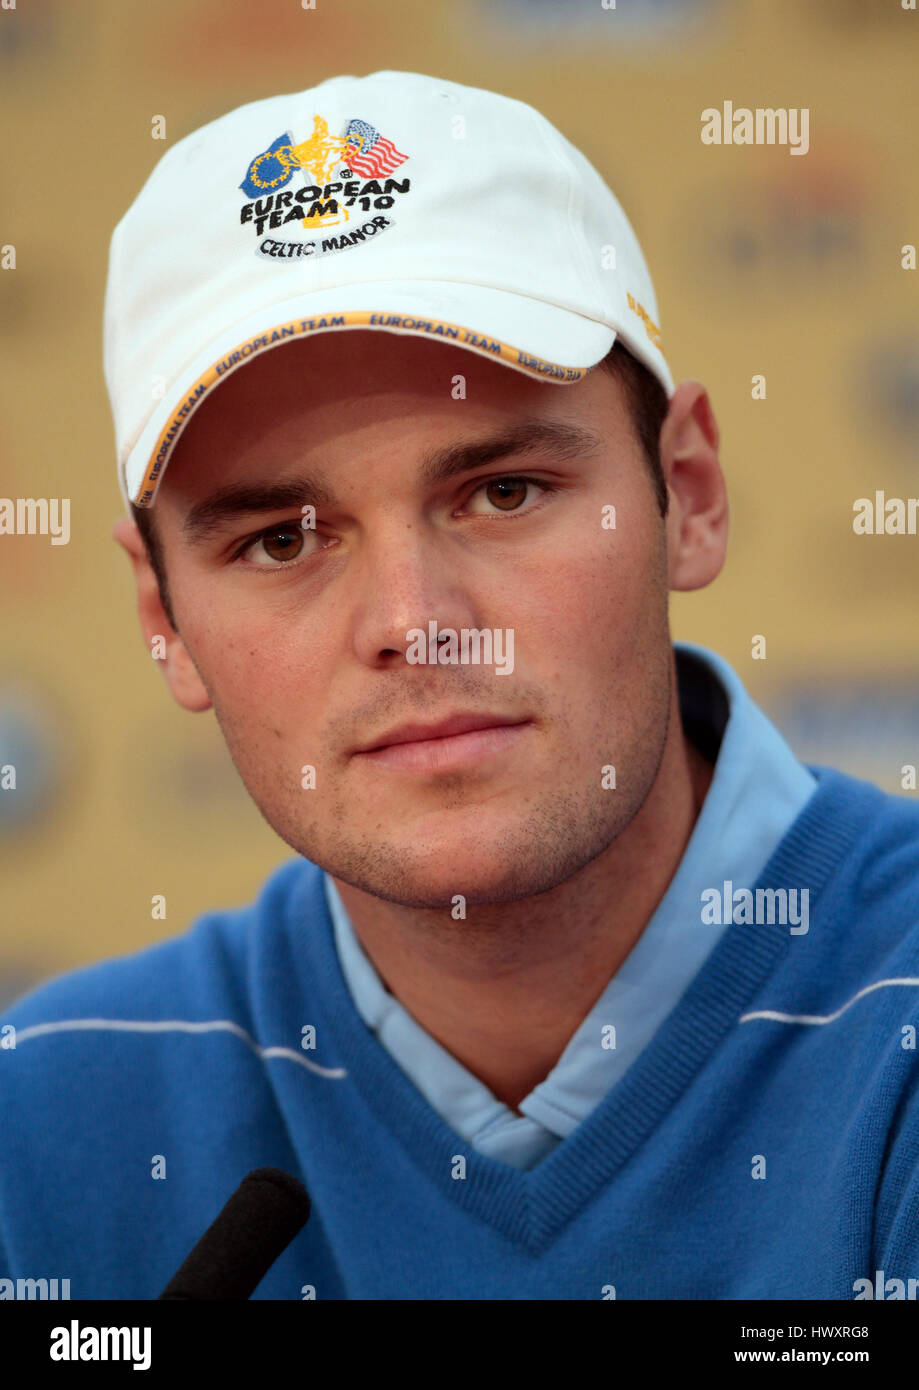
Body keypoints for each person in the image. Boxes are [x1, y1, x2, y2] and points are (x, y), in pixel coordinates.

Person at [2, 70, 918, 1303]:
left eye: (501, 494)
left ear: (686, 495)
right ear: (163, 616)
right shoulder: (45, 1113)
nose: (415, 626)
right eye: (281, 538)